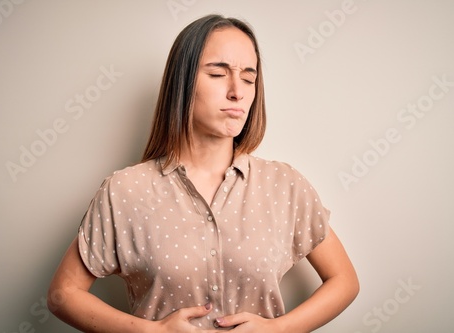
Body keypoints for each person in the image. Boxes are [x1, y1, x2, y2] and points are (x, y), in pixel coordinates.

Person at [48, 14, 359, 332]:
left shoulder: (285, 186)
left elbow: (344, 280)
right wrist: (154, 331)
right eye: (218, 74)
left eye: (249, 79)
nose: (237, 92)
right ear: (182, 82)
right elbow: (63, 295)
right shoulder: (125, 191)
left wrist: (278, 328)